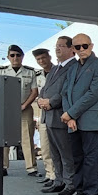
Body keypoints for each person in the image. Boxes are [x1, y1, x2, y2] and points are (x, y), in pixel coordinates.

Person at [60, 33, 98, 195]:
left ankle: (91, 193)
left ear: (92, 45)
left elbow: (93, 94)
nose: (81, 49)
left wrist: (71, 113)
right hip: (72, 120)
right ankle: (79, 190)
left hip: (89, 120)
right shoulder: (72, 67)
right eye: (77, 47)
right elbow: (65, 92)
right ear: (73, 49)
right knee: (77, 157)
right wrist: (69, 115)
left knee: (90, 158)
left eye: (85, 46)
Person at [37, 36, 77, 195]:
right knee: (54, 152)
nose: (57, 48)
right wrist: (41, 100)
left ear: (70, 48)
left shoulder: (74, 66)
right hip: (48, 115)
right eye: (56, 46)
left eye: (61, 45)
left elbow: (67, 91)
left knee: (66, 152)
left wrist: (51, 102)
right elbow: (45, 87)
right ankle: (58, 180)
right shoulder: (55, 68)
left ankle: (70, 183)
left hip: (61, 115)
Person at [0, 44, 40, 177]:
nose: (15, 58)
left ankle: (31, 167)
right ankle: (2, 166)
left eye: (18, 55)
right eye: (12, 55)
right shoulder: (1, 71)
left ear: (22, 56)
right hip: (6, 109)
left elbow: (34, 92)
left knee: (27, 138)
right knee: (4, 139)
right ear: (8, 57)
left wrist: (25, 105)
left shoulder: (30, 72)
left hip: (24, 108)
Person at [32, 48, 56, 186]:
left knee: (57, 147)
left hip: (56, 111)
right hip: (43, 114)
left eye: (43, 58)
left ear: (49, 56)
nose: (41, 61)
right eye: (38, 59)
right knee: (45, 146)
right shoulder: (37, 75)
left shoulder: (58, 71)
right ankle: (49, 173)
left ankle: (59, 175)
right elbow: (36, 93)